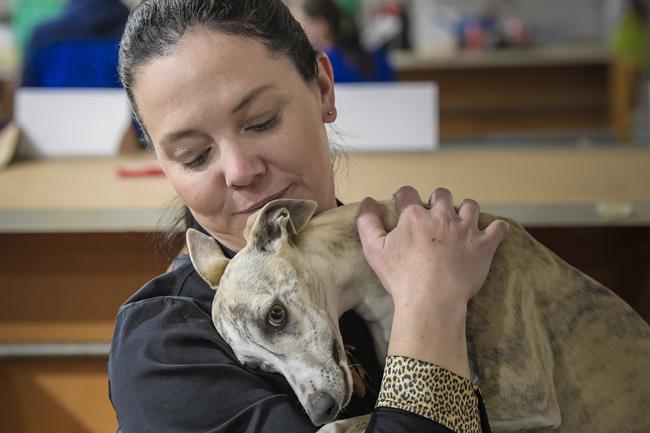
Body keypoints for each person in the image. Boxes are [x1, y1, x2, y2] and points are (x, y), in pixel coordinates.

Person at [108, 1, 509, 432]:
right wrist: (431, 306)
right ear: (164, 166)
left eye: (261, 122)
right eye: (195, 156)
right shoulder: (166, 350)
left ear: (323, 88)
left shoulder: (451, 253)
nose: (242, 172)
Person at [21, 0, 129, 87]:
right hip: (114, 113)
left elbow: (27, 99)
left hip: (53, 113)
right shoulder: (132, 35)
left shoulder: (43, 36)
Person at [294, 0, 395, 82]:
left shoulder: (318, 64)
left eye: (304, 23)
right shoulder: (378, 57)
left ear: (321, 26)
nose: (300, 30)